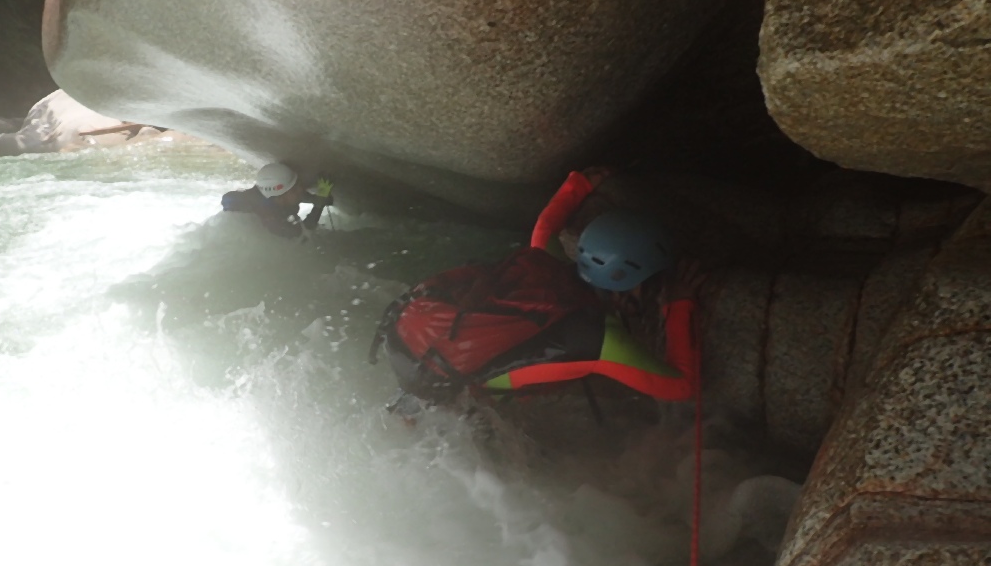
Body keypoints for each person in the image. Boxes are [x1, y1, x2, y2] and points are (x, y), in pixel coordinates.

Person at [371, 167, 700, 415]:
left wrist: (581, 182)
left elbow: (545, 225)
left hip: (427, 363)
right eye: (651, 282)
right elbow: (681, 387)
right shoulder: (601, 338)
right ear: (627, 283)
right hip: (472, 402)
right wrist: (679, 305)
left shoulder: (544, 264)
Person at [221, 162, 334, 239]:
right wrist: (319, 204)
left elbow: (295, 196)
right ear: (280, 197)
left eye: (298, 184)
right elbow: (303, 234)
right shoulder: (272, 223)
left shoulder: (266, 193)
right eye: (295, 189)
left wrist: (317, 198)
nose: (301, 189)